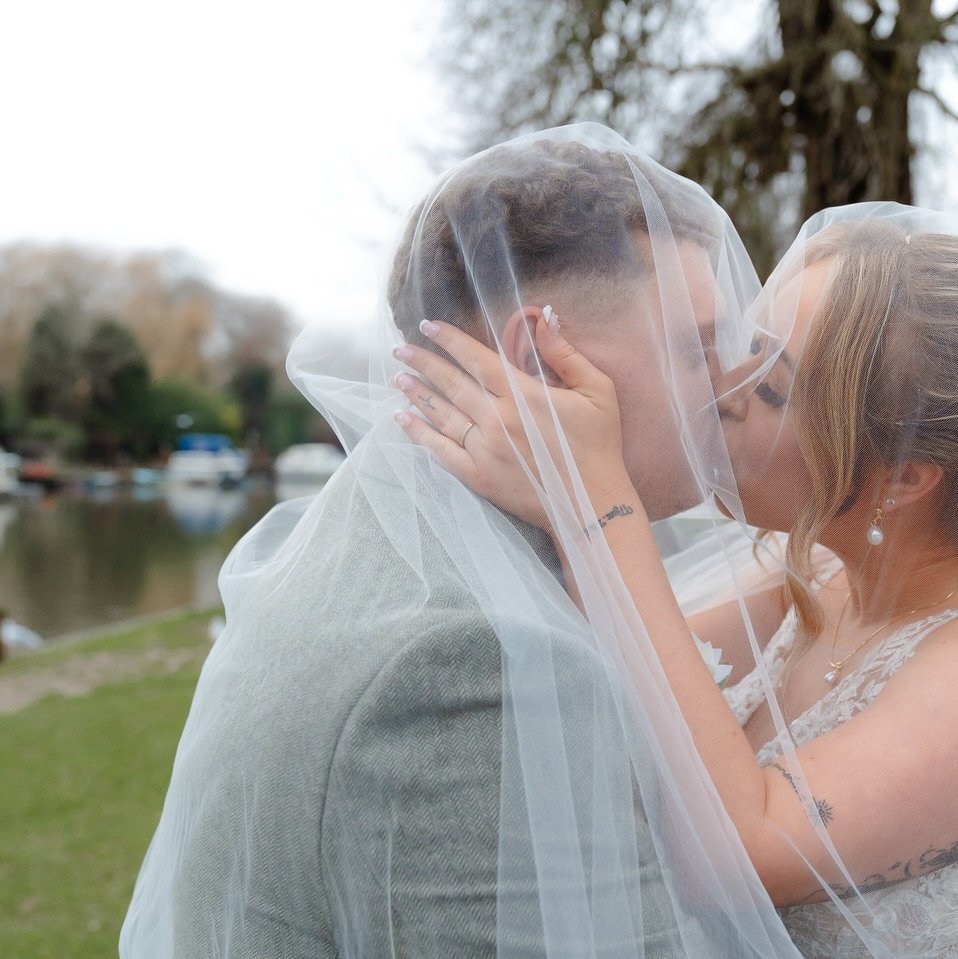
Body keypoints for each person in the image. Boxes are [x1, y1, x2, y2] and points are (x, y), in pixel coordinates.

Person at [396, 204, 958, 956]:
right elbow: (589, 663)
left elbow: (740, 852)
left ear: (905, 474)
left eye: (771, 387)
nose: (720, 394)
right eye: (745, 349)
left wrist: (598, 506)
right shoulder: (811, 579)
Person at [121, 127, 798, 958]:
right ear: (541, 361)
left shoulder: (363, 532)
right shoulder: (475, 661)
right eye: (696, 348)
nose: (733, 385)